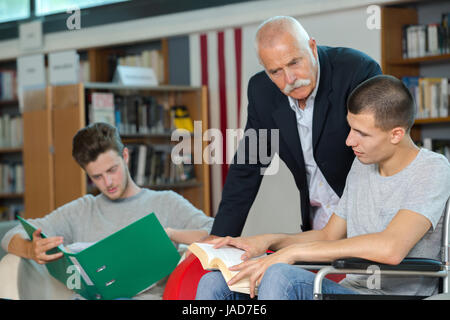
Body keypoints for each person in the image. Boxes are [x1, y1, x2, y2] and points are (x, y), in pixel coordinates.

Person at [196, 75, 450, 300]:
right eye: (350, 127)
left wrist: (293, 253)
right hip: (351, 291)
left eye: (362, 133)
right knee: (216, 282)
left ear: (396, 134)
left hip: (393, 297)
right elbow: (329, 235)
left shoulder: (432, 169)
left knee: (280, 276)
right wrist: (269, 241)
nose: (350, 140)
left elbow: (391, 248)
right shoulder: (363, 165)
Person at [211, 16, 382, 237]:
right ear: (265, 69)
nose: (290, 78)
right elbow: (248, 168)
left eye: (294, 62)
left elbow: (379, 149)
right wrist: (218, 239)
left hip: (371, 218)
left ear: (312, 47)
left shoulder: (356, 71)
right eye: (276, 71)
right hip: (316, 224)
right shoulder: (262, 92)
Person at [1, 122, 213, 299]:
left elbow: (214, 232)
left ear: (126, 156)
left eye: (112, 170)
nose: (108, 182)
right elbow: (11, 235)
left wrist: (169, 234)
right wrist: (32, 250)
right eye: (97, 177)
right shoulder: (82, 210)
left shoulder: (166, 202)